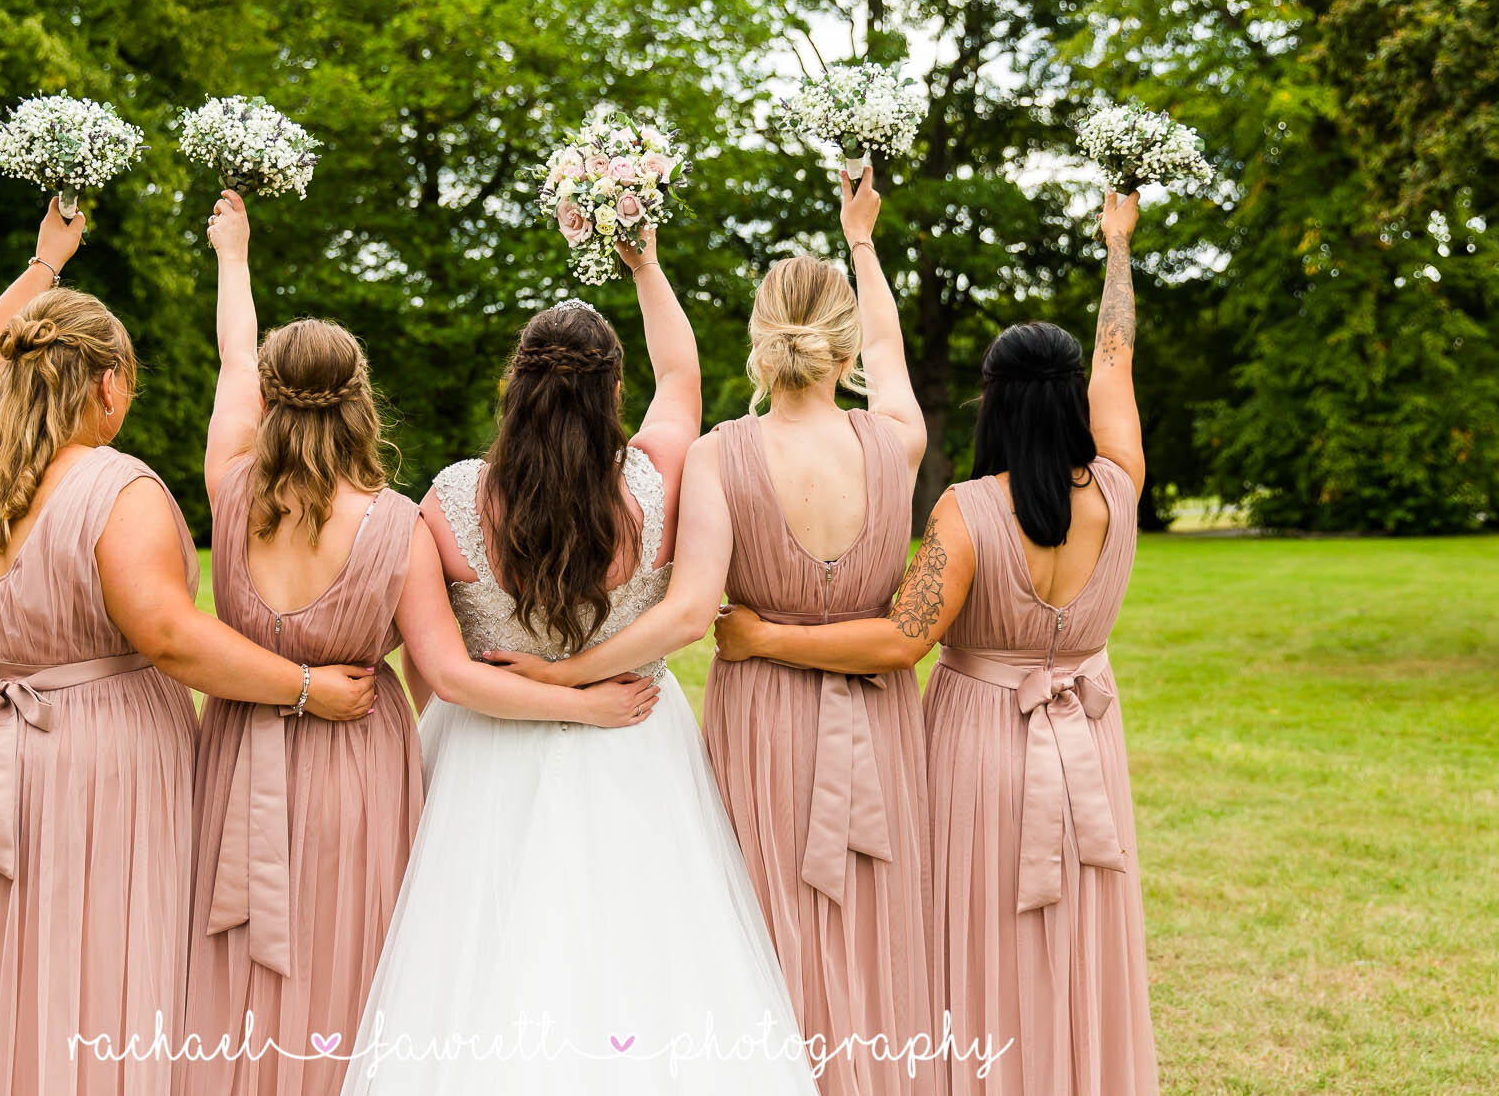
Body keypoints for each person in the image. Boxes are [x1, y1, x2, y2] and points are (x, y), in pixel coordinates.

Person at [0, 202, 372, 1096]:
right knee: (83, 966)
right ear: (110, 382)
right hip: (86, 768)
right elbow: (170, 637)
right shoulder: (120, 492)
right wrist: (307, 684)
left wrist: (45, 264)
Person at [186, 192, 659, 1095]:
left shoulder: (228, 486)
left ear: (269, 400)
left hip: (234, 756)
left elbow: (233, 357)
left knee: (232, 965)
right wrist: (578, 701)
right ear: (361, 399)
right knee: (365, 965)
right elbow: (445, 671)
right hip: (354, 768)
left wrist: (234, 256)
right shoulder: (397, 525)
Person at [340, 226, 819, 1095]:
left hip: (486, 749)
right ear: (613, 390)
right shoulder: (655, 478)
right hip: (635, 734)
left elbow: (444, 675)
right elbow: (684, 377)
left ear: (513, 385)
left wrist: (553, 695)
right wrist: (645, 262)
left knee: (477, 965)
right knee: (648, 950)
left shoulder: (448, 500)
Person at [497, 168, 936, 1093]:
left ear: (759, 339)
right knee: (881, 926)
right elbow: (892, 357)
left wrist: (564, 674)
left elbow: (691, 615)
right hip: (883, 719)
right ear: (842, 345)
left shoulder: (719, 457)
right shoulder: (894, 441)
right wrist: (862, 240)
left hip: (765, 723)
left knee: (757, 932)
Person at [716, 190, 1157, 1095]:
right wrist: (1118, 250)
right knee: (1085, 938)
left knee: (977, 947)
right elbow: (1117, 354)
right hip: (1091, 746)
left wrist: (762, 634)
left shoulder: (968, 513)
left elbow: (897, 642)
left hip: (979, 755)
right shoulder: (1119, 484)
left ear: (992, 403)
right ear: (1072, 399)